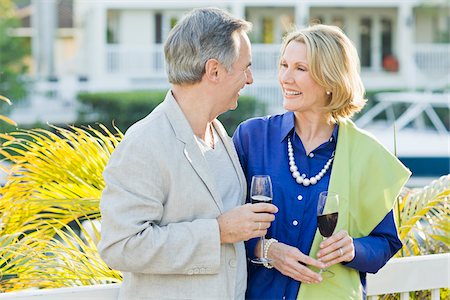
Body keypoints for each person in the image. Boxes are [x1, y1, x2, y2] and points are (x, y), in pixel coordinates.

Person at [98, 8, 277, 300]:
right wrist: (216, 233)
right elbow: (121, 246)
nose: (250, 79)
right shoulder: (144, 143)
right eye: (245, 67)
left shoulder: (220, 134)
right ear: (214, 71)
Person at [232, 24, 411, 299]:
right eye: (284, 65)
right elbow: (221, 222)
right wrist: (266, 250)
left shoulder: (367, 154)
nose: (285, 78)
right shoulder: (252, 137)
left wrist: (352, 250)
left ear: (330, 80)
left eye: (300, 69)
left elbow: (385, 243)